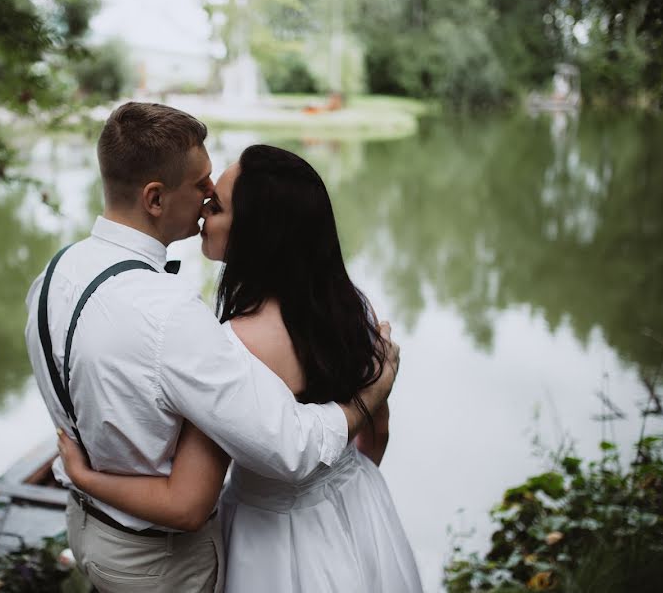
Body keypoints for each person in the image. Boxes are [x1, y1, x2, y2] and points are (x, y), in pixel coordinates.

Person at [24, 103, 400, 593]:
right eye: (203, 187)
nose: (205, 201)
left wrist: (81, 476)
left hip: (94, 534)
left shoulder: (52, 276)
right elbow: (301, 448)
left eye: (215, 199)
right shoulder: (353, 309)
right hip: (176, 556)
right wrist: (369, 401)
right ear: (155, 199)